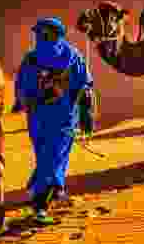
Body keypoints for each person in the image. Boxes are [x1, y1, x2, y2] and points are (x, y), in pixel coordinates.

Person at [14, 18, 93, 225]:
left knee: (53, 158)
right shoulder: (68, 57)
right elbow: (85, 84)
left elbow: (84, 85)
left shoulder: (38, 58)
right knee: (51, 158)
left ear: (56, 35)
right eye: (40, 34)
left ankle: (51, 193)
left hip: (59, 118)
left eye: (44, 34)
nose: (41, 38)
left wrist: (85, 108)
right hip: (48, 119)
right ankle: (40, 206)